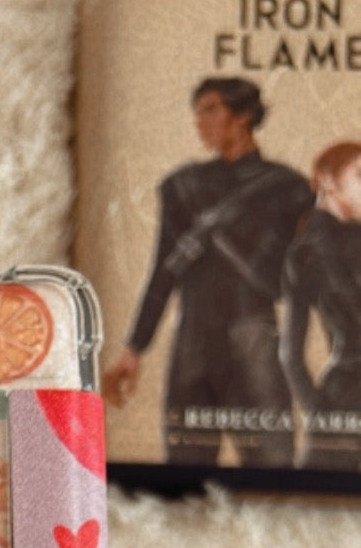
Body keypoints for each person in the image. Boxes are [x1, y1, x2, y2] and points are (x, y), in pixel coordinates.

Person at [103, 76, 313, 468]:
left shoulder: (289, 189)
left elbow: (298, 279)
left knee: (274, 471)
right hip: (193, 343)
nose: (200, 121)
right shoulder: (183, 186)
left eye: (211, 109)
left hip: (254, 339)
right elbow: (163, 271)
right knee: (184, 471)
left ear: (243, 115)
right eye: (197, 112)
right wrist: (134, 348)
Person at [280, 139, 361, 471]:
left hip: (338, 398)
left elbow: (290, 356)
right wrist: (318, 413)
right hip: (343, 397)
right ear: (327, 181)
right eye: (360, 175)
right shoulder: (307, 252)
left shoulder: (302, 251)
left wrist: (319, 414)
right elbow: (290, 355)